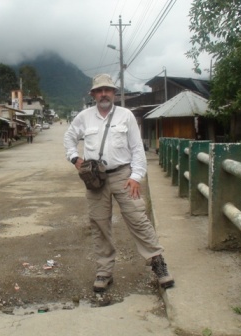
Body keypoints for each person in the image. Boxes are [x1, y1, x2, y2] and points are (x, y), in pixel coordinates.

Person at [63, 74, 174, 292]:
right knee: (99, 223)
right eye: (99, 90)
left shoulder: (126, 116)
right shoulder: (84, 117)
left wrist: (136, 176)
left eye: (108, 90)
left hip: (123, 175)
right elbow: (69, 137)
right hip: (95, 178)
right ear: (93, 94)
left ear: (114, 93)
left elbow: (137, 148)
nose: (104, 94)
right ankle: (104, 271)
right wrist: (74, 157)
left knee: (138, 218)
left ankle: (158, 263)